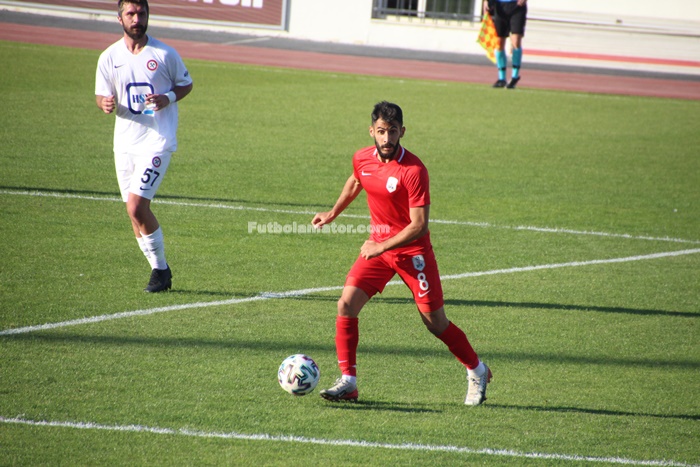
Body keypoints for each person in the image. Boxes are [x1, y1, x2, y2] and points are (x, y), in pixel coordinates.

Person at [311, 101, 492, 405]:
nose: (386, 138)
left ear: (402, 132)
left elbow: (419, 225)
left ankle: (477, 369)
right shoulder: (362, 158)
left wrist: (380, 245)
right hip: (378, 250)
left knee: (435, 322)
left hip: (412, 253)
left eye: (392, 131)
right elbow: (357, 180)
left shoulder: (414, 170)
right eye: (381, 131)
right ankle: (349, 382)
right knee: (346, 304)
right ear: (372, 131)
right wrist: (333, 213)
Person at [95, 0, 193, 292]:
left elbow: (185, 84)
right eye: (131, 14)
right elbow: (101, 95)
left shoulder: (164, 54)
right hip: (124, 144)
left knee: (138, 207)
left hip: (156, 142)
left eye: (141, 13)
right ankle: (159, 271)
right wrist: (105, 103)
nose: (137, 19)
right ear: (120, 18)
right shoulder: (108, 57)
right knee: (132, 212)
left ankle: (161, 270)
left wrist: (169, 98)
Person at [484, 0, 528, 89]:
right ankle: (501, 78)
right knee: (499, 43)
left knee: (516, 41)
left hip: (517, 5)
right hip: (500, 6)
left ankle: (514, 76)